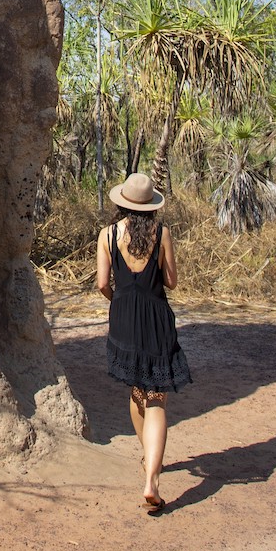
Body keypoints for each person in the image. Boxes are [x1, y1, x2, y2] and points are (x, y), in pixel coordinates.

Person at [96, 172, 191, 514]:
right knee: (157, 397)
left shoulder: (107, 235)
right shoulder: (162, 233)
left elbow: (102, 283)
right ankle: (152, 477)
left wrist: (119, 299)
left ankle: (148, 458)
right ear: (151, 207)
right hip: (155, 317)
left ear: (121, 203)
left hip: (122, 316)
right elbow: (172, 281)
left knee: (137, 391)